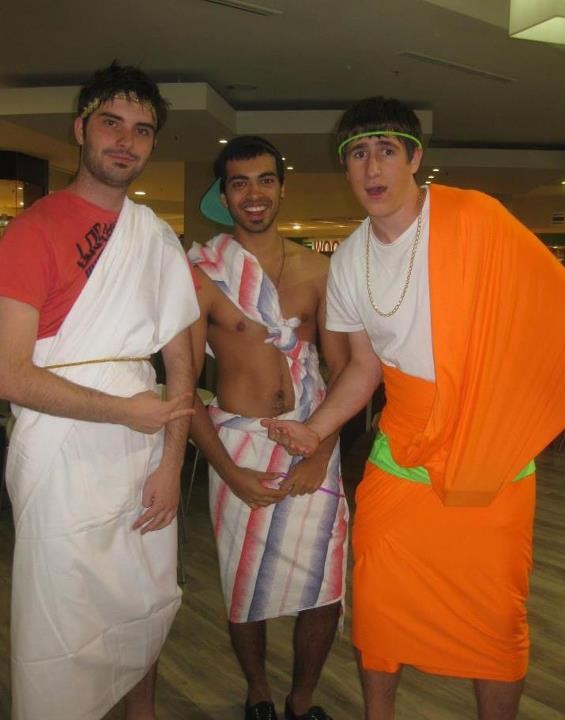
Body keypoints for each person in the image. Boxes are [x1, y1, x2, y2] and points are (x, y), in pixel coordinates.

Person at [262, 97, 565, 720]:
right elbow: (363, 369)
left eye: (386, 151)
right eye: (357, 154)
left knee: (494, 625)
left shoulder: (475, 218)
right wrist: (315, 429)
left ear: (414, 158)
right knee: (379, 613)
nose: (372, 167)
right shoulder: (348, 261)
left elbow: (551, 306)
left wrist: (519, 408)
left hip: (488, 455)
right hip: (401, 454)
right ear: (345, 167)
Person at [0, 62, 199, 720]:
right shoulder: (32, 231)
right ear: (80, 128)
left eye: (142, 130)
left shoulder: (156, 237)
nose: (125, 140)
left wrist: (171, 463)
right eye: (111, 123)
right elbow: (10, 374)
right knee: (62, 613)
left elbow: (181, 363)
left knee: (142, 599)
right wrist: (123, 412)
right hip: (62, 456)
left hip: (143, 454)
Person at [187, 136, 350, 720]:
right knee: (243, 583)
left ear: (282, 187)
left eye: (264, 180)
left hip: (314, 436)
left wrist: (319, 451)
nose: (253, 194)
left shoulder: (318, 269)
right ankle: (258, 694)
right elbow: (184, 389)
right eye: (239, 183)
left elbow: (343, 372)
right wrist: (230, 473)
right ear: (223, 194)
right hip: (239, 446)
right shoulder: (202, 274)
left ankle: (301, 701)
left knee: (326, 584)